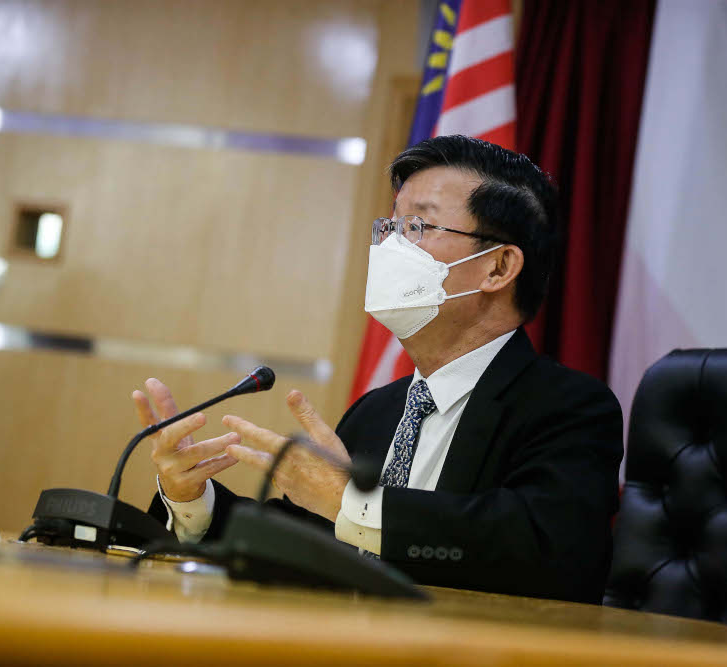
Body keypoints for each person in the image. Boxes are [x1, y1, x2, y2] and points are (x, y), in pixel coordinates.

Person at [135, 135, 623, 602]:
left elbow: (541, 550)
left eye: (418, 227)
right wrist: (193, 499)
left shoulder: (569, 408)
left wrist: (353, 504)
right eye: (391, 227)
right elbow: (300, 543)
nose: (391, 248)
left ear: (498, 268)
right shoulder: (378, 409)